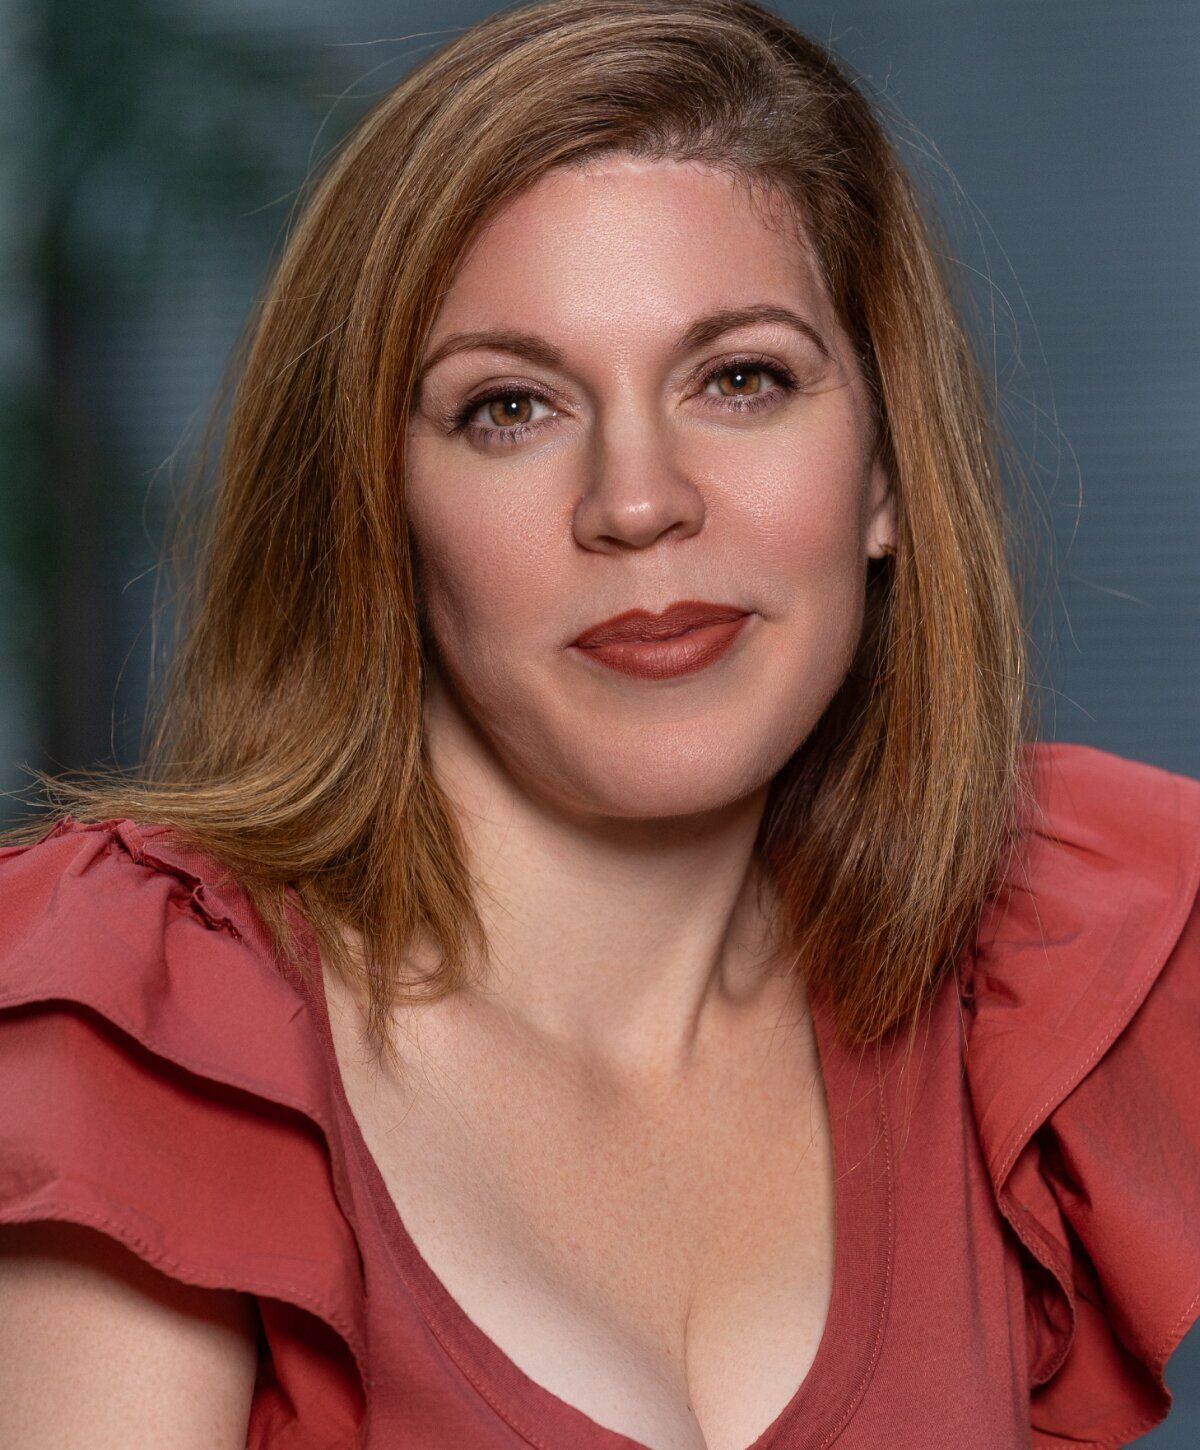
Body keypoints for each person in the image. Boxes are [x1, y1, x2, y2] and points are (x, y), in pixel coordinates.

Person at [1, 1, 1197, 1446]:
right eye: (510, 408)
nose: (637, 501)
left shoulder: (1063, 962)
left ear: (885, 477)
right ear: (378, 512)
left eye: (741, 380)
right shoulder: (142, 1024)